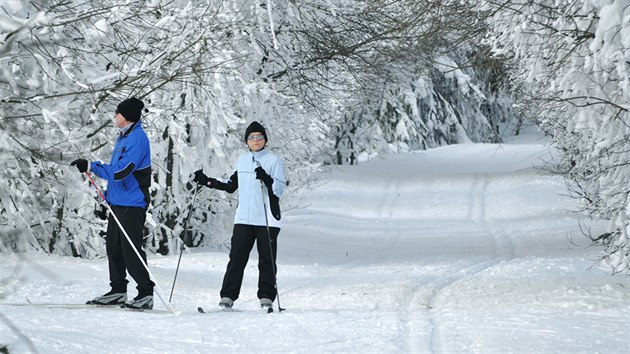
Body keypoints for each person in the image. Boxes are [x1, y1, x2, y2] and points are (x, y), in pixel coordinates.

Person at [71, 97, 154, 309]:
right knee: (114, 248)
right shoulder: (123, 138)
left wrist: (91, 165)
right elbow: (117, 175)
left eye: (117, 113)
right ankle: (118, 290)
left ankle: (146, 293)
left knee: (130, 249)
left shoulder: (138, 139)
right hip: (118, 202)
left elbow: (121, 171)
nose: (114, 116)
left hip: (133, 203)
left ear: (126, 117)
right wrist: (105, 201)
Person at [194, 121, 287, 309]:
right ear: (246, 141)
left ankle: (266, 297)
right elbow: (230, 185)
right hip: (244, 218)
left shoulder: (273, 161)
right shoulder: (243, 160)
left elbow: (279, 190)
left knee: (266, 260)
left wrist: (267, 179)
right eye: (252, 137)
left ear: (265, 140)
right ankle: (228, 296)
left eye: (259, 137)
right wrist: (208, 181)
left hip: (267, 219)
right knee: (236, 258)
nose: (255, 140)